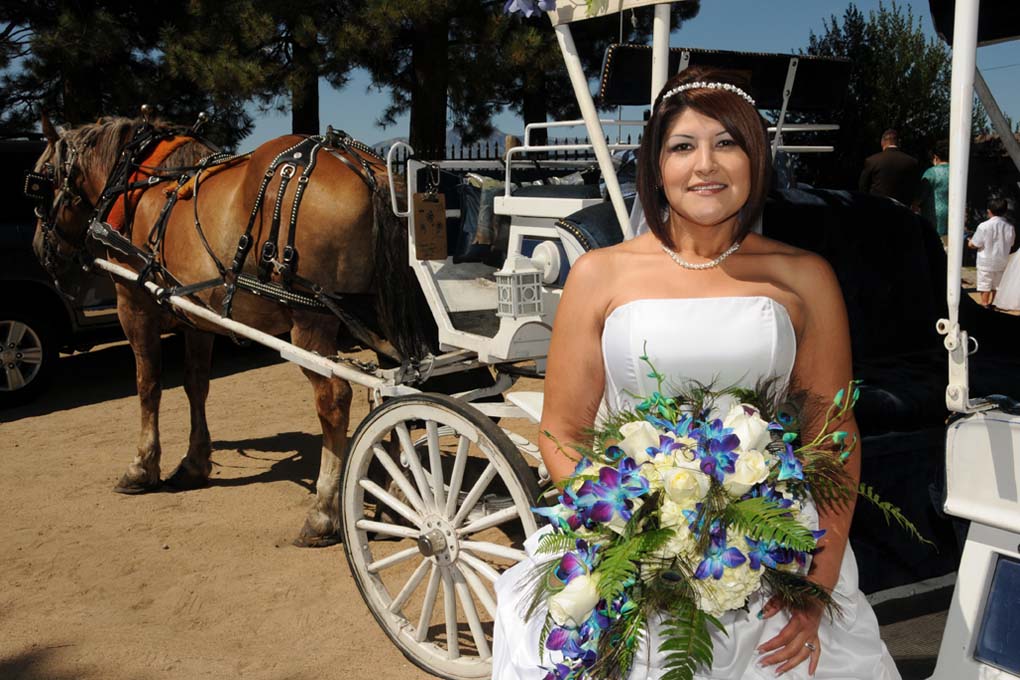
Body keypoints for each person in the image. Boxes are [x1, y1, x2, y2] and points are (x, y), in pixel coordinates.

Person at [492, 68, 900, 679]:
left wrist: (817, 588)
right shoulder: (599, 275)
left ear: (755, 160)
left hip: (772, 555)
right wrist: (634, 531)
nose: (705, 164)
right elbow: (561, 429)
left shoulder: (804, 276)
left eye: (726, 143)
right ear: (657, 166)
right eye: (683, 146)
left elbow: (834, 435)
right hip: (634, 562)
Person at [968, 197, 1016, 307]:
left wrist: (970, 242)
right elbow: (1011, 243)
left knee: (985, 284)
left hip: (986, 260)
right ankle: (995, 303)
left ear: (989, 211)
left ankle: (985, 303)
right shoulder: (1010, 227)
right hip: (1002, 260)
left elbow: (975, 243)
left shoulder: (983, 226)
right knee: (998, 285)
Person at [859, 129, 919, 206]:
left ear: (882, 142)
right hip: (902, 211)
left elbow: (863, 188)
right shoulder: (912, 162)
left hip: (877, 208)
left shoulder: (871, 160)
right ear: (899, 143)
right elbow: (915, 189)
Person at [916, 140, 950, 244]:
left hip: (934, 215)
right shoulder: (958, 171)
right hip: (953, 213)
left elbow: (921, 197)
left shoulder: (931, 172)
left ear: (935, 157)